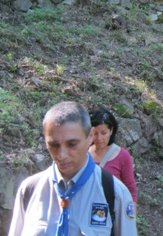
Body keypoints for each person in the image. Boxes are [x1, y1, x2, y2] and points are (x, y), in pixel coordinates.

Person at [8, 101, 137, 236]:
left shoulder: (115, 193)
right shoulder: (29, 190)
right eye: (54, 145)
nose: (61, 155)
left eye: (72, 144)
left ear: (90, 137)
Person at [89, 108, 138, 203]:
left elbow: (130, 189)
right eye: (95, 133)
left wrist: (130, 215)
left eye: (103, 133)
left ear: (111, 131)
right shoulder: (83, 153)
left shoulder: (122, 155)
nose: (99, 138)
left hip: (112, 212)